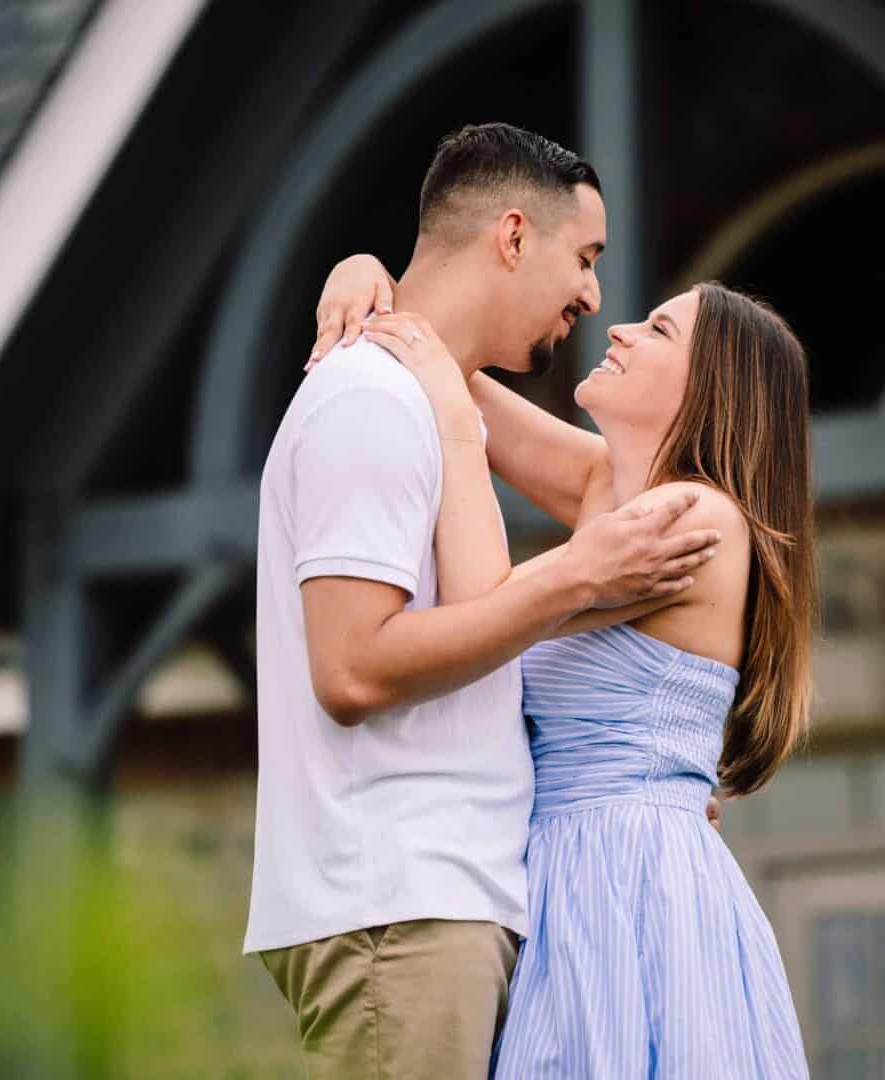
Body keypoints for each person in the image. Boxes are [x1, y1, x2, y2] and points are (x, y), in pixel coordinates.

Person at [243, 123, 726, 1080]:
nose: (595, 297)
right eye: (584, 257)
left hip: (450, 909)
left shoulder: (423, 397)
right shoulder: (370, 403)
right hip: (398, 910)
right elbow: (347, 668)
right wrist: (576, 582)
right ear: (512, 237)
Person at [314, 253, 815, 1075]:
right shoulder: (605, 490)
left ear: (709, 390)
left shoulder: (694, 519)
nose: (616, 327)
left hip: (625, 884)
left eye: (656, 330)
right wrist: (363, 274)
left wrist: (448, 422)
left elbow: (488, 606)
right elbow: (436, 349)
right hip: (565, 874)